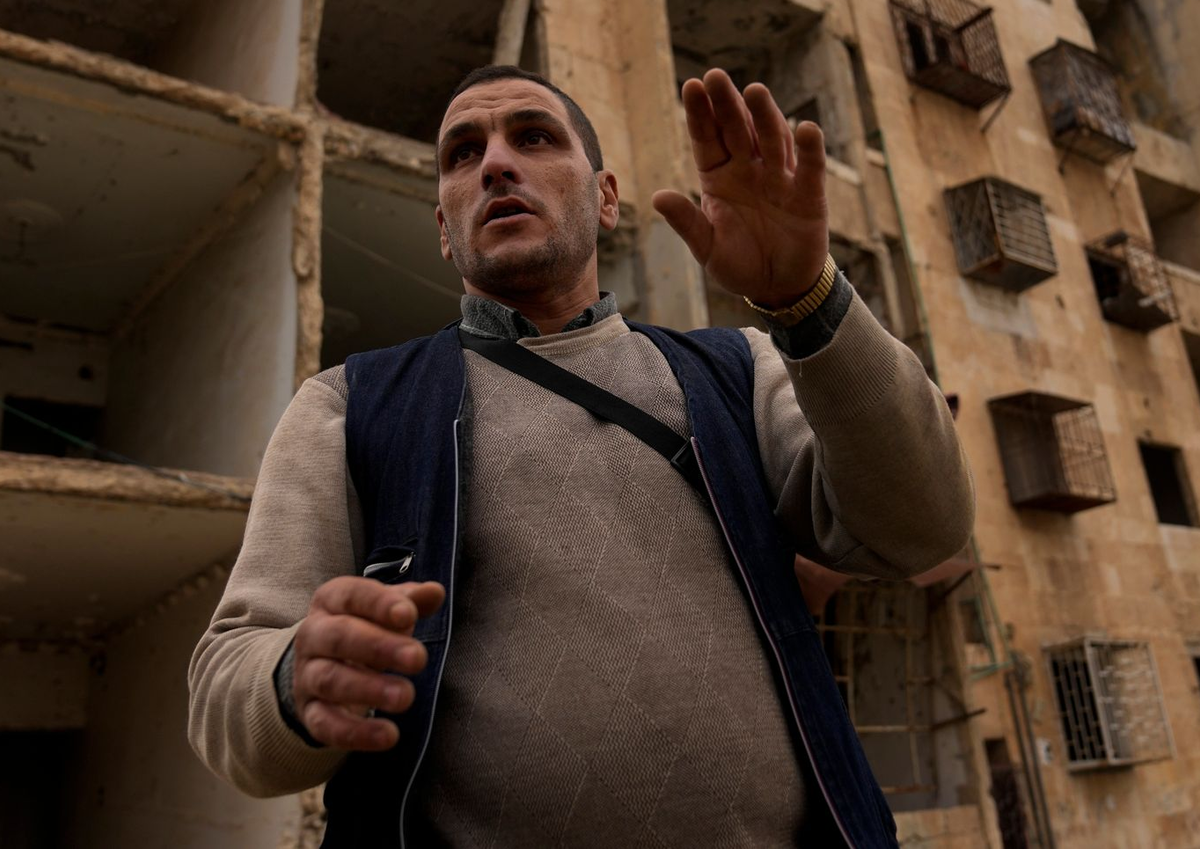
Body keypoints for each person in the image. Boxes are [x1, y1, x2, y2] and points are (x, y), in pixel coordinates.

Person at [189, 66, 974, 848]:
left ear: (605, 197)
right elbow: (227, 685)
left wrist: (807, 295)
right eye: (463, 153)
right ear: (443, 225)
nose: (495, 162)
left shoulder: (741, 369)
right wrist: (298, 676)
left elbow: (922, 526)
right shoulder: (349, 404)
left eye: (533, 136)